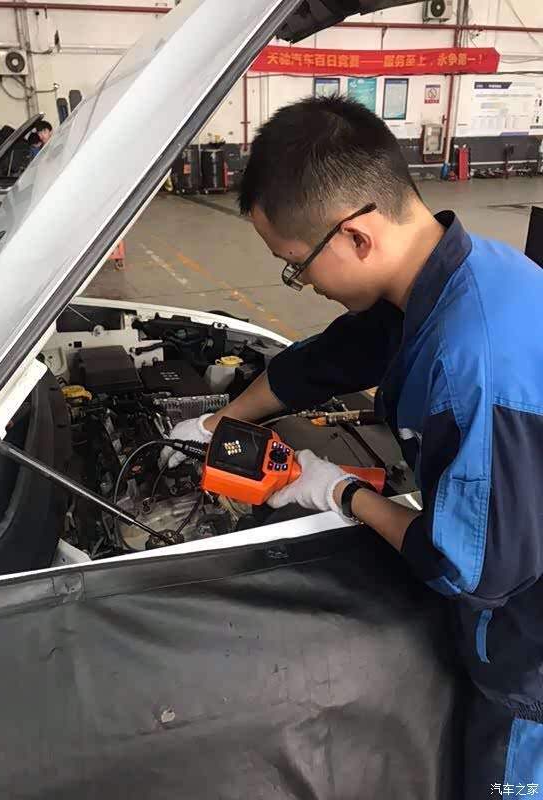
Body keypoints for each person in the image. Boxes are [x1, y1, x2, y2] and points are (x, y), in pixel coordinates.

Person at [162, 96, 543, 797]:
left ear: (356, 236)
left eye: (295, 266)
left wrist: (340, 492)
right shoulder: (457, 273)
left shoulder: (472, 364)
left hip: (528, 663)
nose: (302, 283)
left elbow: (469, 570)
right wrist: (222, 424)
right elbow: (327, 361)